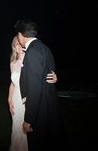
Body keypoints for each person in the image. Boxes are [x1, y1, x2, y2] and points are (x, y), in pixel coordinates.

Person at [14, 20, 64, 151]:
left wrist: (28, 119)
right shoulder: (44, 48)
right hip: (49, 109)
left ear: (20, 34)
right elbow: (46, 74)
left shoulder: (32, 52)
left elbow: (34, 89)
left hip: (40, 113)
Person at [8, 36, 58, 151]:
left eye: (20, 43)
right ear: (14, 48)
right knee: (17, 130)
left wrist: (54, 77)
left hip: (29, 101)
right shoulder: (12, 63)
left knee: (29, 132)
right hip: (16, 100)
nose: (19, 46)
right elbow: (13, 83)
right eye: (17, 44)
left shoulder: (31, 59)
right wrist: (9, 100)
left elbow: (43, 76)